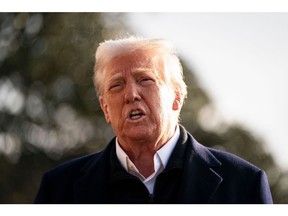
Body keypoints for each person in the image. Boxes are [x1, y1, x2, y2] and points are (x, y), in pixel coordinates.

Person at [34, 36, 273, 204]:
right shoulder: (58, 189)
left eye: (145, 79)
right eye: (117, 85)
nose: (130, 94)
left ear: (177, 98)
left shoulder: (243, 184)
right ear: (105, 108)